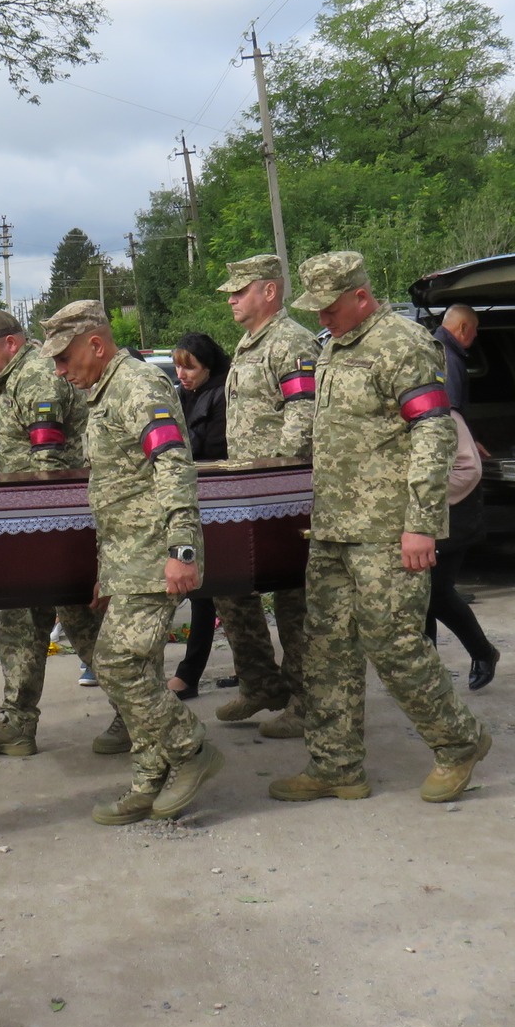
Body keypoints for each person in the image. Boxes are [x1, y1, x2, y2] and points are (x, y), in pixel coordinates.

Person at [270, 250, 490, 804]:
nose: (322, 317)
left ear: (362, 297)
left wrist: (421, 524)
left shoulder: (402, 344)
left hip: (387, 529)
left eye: (330, 307)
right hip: (333, 527)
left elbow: (433, 434)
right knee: (326, 648)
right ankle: (336, 765)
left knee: (394, 645)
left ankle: (459, 743)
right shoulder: (335, 347)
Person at [41, 300, 224, 825]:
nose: (60, 370)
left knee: (117, 663)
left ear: (96, 345)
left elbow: (173, 466)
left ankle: (190, 749)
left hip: (154, 553)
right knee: (137, 668)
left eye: (65, 358)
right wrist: (105, 571)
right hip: (127, 559)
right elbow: (115, 492)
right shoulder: (105, 392)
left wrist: (181, 550)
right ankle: (150, 777)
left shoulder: (139, 387)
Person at [0, 308, 108, 758]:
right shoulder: (12, 378)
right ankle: (17, 723)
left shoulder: (38, 377)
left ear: (12, 343)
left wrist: (43, 537)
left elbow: (48, 460)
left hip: (54, 523)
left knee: (82, 623)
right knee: (20, 622)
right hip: (29, 523)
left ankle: (137, 716)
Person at [207, 254, 317, 738]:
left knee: (296, 601)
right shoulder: (251, 342)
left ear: (269, 291)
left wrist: (280, 480)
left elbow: (303, 414)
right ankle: (261, 683)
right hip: (247, 495)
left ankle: (307, 702)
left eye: (240, 290)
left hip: (283, 496)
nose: (231, 299)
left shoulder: (291, 341)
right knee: (230, 588)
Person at [167, 332, 230, 700]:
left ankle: (189, 674)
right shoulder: (181, 395)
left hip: (215, 500)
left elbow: (214, 448)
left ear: (208, 366)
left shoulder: (221, 394)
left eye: (189, 367)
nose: (182, 374)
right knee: (204, 594)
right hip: (187, 497)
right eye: (177, 367)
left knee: (209, 594)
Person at [425, 405, 498, 689]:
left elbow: (469, 469)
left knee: (437, 593)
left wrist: (419, 498)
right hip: (408, 522)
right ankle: (428, 671)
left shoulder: (442, 413)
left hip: (451, 518)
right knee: (418, 598)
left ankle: (483, 652)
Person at [435, 303, 477, 416]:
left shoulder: (433, 347)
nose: (476, 334)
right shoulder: (449, 359)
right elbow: (450, 412)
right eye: (475, 328)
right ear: (463, 327)